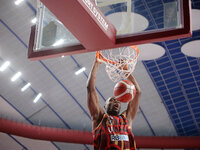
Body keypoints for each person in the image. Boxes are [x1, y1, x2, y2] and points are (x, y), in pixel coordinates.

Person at [87, 57, 141, 150]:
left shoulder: (126, 119)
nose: (116, 101)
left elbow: (138, 92)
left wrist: (125, 70)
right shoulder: (99, 118)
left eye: (118, 101)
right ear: (105, 106)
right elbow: (90, 89)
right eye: (112, 100)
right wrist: (96, 64)